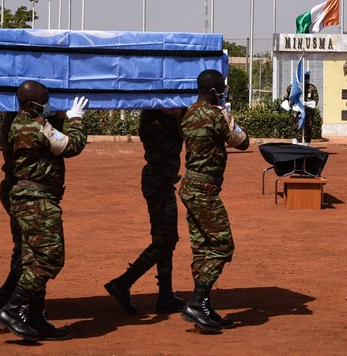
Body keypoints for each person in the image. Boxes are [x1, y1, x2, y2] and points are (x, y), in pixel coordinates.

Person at [0, 81, 89, 341]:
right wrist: (76, 119)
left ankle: (35, 318)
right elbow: (71, 146)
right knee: (49, 257)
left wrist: (57, 120)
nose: (49, 104)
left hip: (29, 198)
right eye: (46, 100)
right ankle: (13, 310)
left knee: (32, 258)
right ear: (34, 104)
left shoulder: (21, 122)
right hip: (36, 200)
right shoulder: (33, 126)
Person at [179, 69, 249, 334]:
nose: (224, 91)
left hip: (191, 186)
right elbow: (242, 142)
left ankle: (204, 307)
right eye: (221, 88)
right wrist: (228, 116)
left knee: (203, 246)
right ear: (213, 91)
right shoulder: (216, 115)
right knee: (221, 245)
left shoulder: (187, 113)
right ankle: (197, 302)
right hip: (204, 189)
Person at [104, 108, 187, 315]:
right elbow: (172, 144)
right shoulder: (155, 118)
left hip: (162, 181)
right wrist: (179, 118)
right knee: (164, 241)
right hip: (157, 182)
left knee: (166, 239)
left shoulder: (162, 115)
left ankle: (165, 295)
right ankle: (123, 282)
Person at [0, 112, 22, 310]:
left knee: (22, 247)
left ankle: (7, 294)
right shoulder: (25, 126)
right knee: (32, 250)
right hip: (22, 192)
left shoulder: (13, 121)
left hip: (13, 189)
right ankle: (12, 298)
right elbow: (67, 146)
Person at [282, 72, 319, 145]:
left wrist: (307, 104)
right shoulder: (292, 88)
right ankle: (296, 145)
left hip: (308, 112)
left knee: (308, 129)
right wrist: (289, 105)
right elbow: (285, 99)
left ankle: (306, 146)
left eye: (307, 78)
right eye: (305, 78)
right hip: (295, 112)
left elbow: (316, 100)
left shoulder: (312, 88)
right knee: (295, 128)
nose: (307, 80)